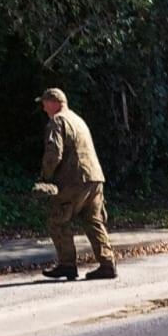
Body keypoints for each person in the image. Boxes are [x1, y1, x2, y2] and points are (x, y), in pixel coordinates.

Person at [35, 88, 116, 281]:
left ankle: (67, 265)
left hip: (74, 179)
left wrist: (45, 178)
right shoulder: (78, 120)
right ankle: (107, 263)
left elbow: (54, 153)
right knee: (93, 220)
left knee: (58, 219)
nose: (44, 107)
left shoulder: (58, 121)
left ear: (54, 102)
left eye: (45, 103)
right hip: (95, 177)